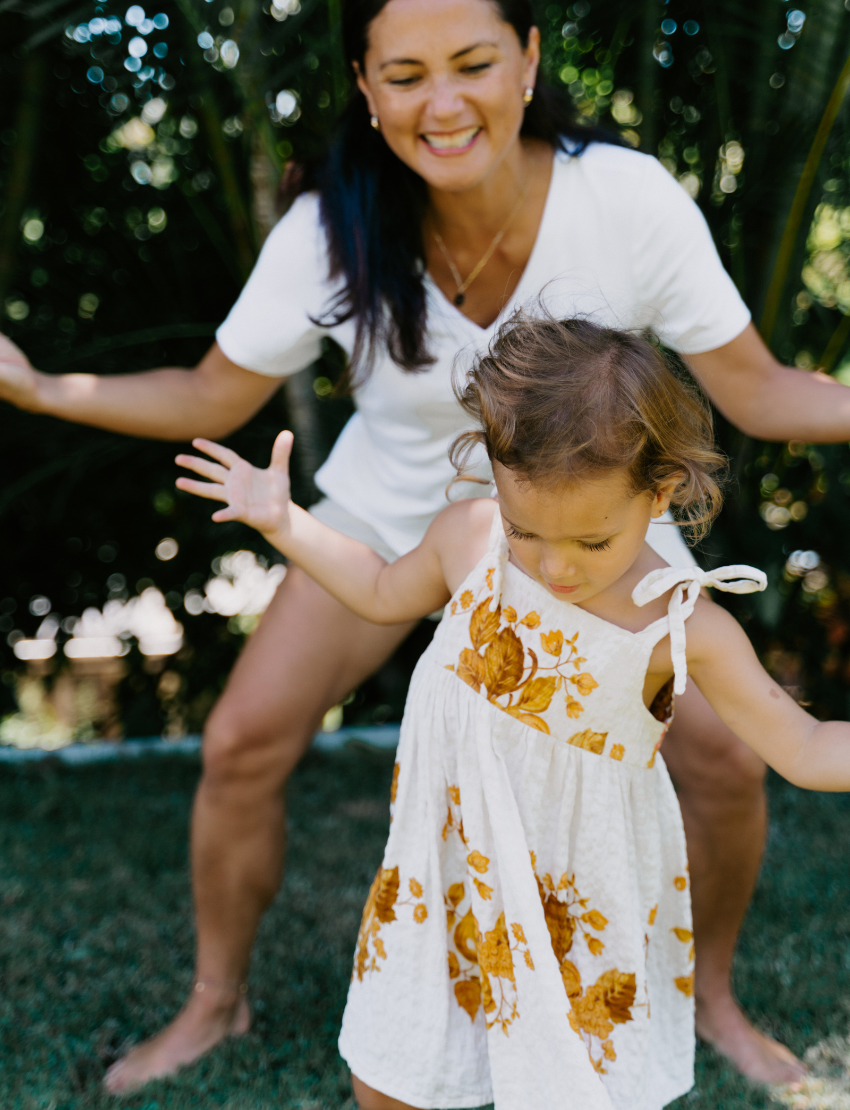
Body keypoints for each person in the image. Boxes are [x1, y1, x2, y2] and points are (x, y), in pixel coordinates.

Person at [1, 0, 849, 1091]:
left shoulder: (623, 198)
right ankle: (216, 1001)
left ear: (530, 58)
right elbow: (211, 392)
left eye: (473, 63)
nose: (442, 103)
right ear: (363, 82)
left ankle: (710, 999)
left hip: (596, 522)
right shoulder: (330, 228)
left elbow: (758, 391)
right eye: (404, 74)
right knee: (242, 741)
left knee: (729, 757)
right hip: (409, 508)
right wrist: (36, 386)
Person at [175, 313, 850, 1110]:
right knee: (392, 1068)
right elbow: (380, 592)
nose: (556, 566)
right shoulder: (471, 540)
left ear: (661, 490)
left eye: (593, 542)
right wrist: (285, 524)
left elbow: (803, 746)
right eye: (529, 531)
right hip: (449, 869)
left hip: (580, 897)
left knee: (572, 1082)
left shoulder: (681, 626)